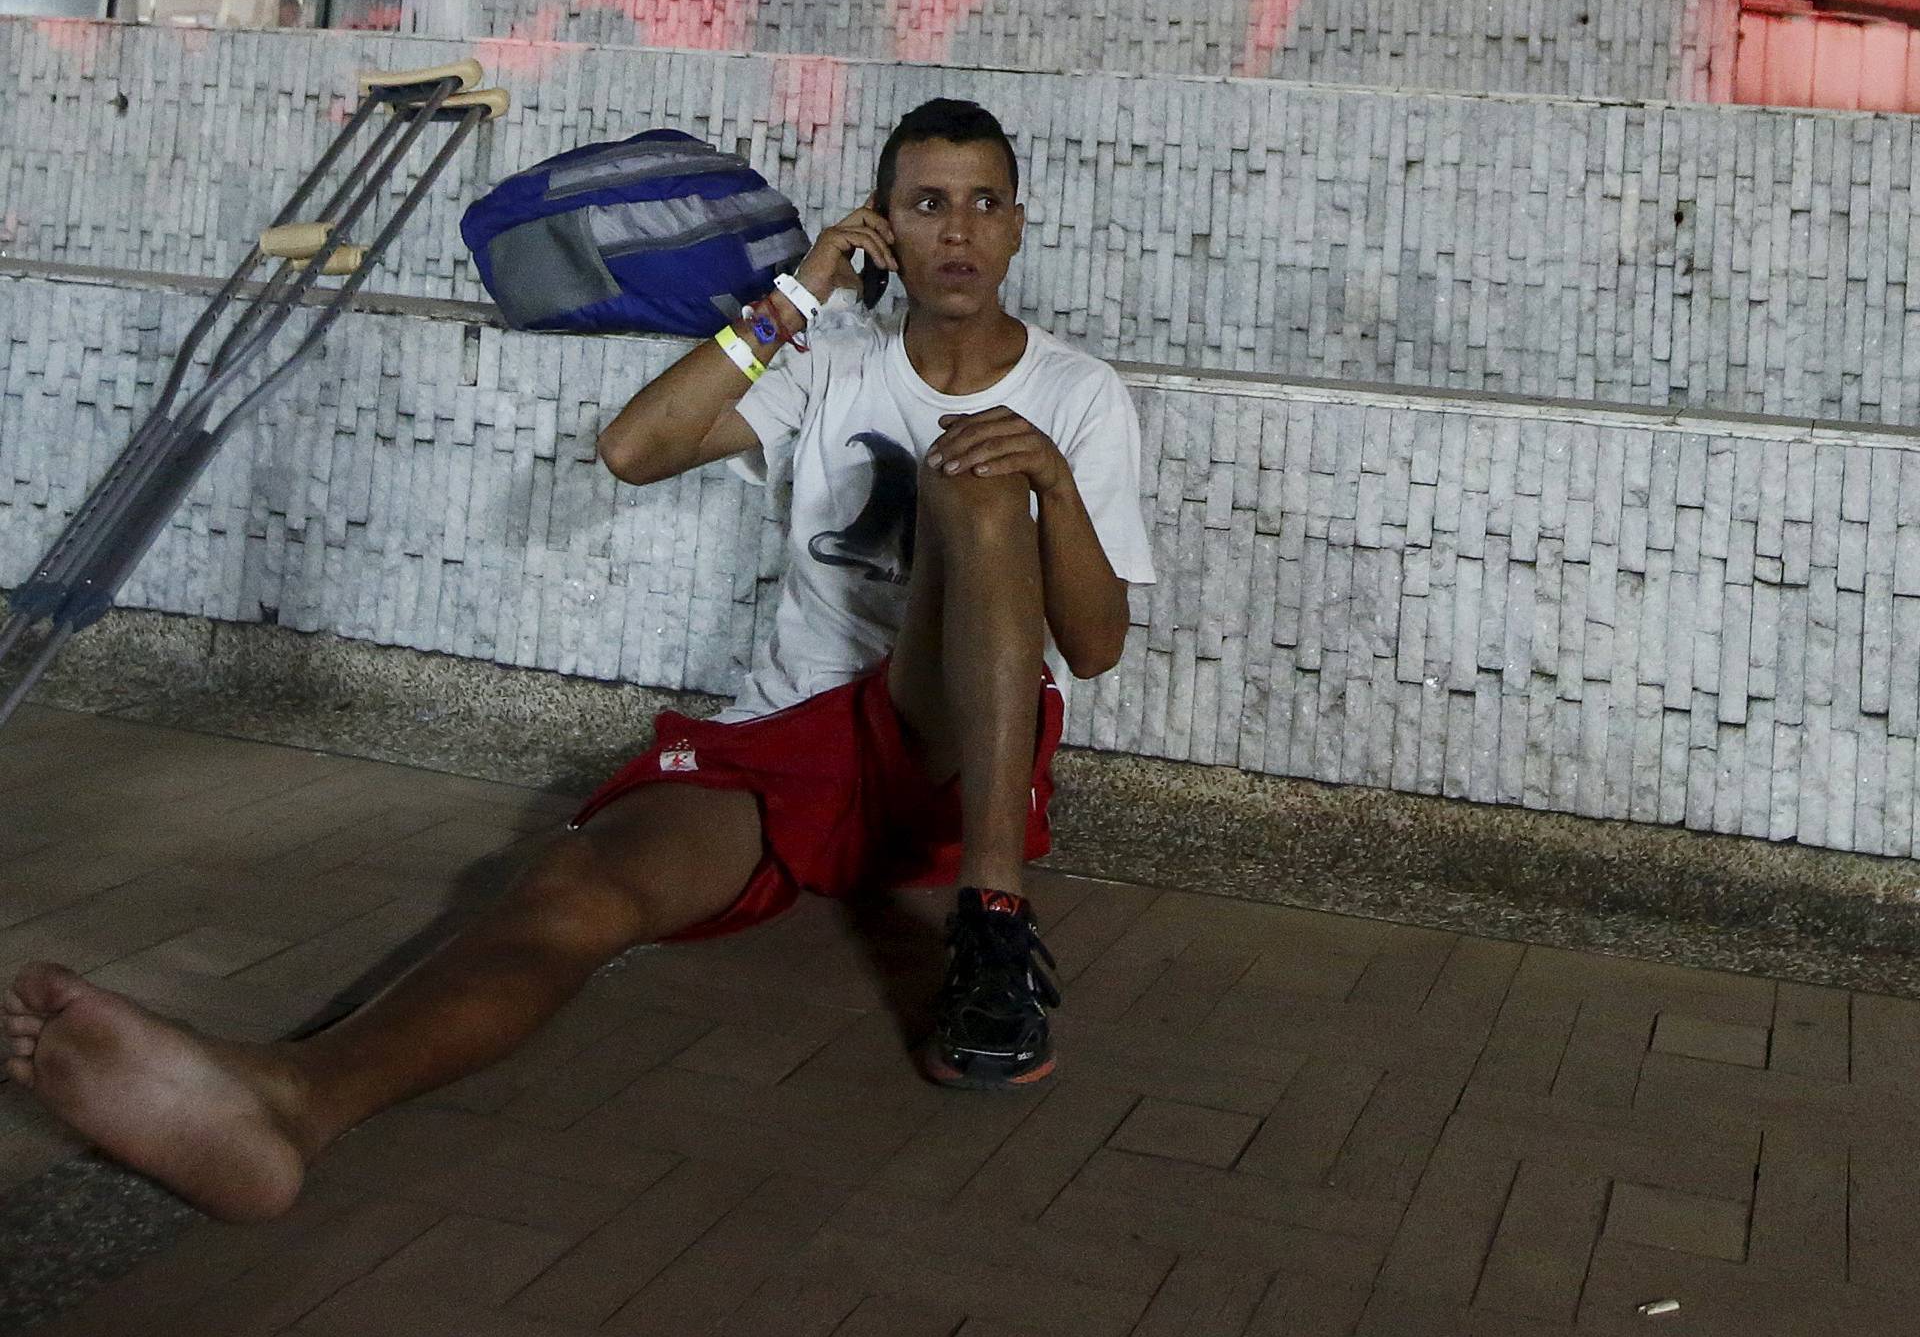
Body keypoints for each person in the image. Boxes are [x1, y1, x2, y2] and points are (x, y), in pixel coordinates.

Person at [3, 98, 1156, 1224]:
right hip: (791, 736)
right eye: (926, 203)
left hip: (953, 738)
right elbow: (632, 448)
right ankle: (296, 1101)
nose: (957, 229)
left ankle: (994, 924)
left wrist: (1053, 477)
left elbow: (1092, 650)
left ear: (1017, 223)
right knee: (573, 887)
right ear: (883, 226)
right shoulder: (829, 359)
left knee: (983, 478)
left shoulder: (1075, 391)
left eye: (984, 202)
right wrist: (798, 292)